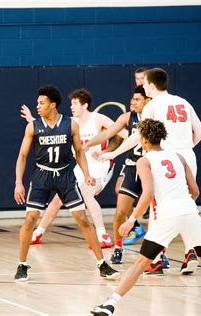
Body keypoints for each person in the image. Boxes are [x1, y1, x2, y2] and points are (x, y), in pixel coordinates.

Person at [90, 119, 201, 316]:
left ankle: (110, 305)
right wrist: (183, 204)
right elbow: (195, 191)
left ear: (143, 139)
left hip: (168, 215)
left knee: (141, 263)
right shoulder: (179, 157)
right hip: (190, 213)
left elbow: (147, 194)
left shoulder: (144, 160)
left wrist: (131, 220)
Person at [99, 68, 201, 274]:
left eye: (145, 83)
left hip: (166, 160)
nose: (143, 86)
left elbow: (137, 136)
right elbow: (200, 132)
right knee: (185, 204)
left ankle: (156, 259)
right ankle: (190, 250)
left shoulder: (152, 105)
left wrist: (114, 154)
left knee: (159, 208)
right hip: (187, 158)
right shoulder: (184, 102)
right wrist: (185, 149)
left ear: (151, 85)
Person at [13, 85, 119, 281]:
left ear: (53, 105)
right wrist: (18, 182)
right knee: (31, 218)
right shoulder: (33, 127)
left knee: (82, 219)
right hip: (42, 176)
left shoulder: (70, 125)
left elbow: (79, 152)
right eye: (37, 103)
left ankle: (102, 264)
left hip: (65, 176)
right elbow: (22, 155)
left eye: (41, 103)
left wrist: (86, 173)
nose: (38, 106)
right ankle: (22, 264)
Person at [84, 85, 151, 266]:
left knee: (157, 215)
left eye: (137, 99)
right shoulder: (127, 117)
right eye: (132, 99)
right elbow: (107, 133)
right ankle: (118, 248)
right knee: (120, 211)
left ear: (148, 100)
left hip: (152, 168)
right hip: (131, 167)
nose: (132, 102)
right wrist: (88, 145)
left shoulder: (156, 116)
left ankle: (158, 255)